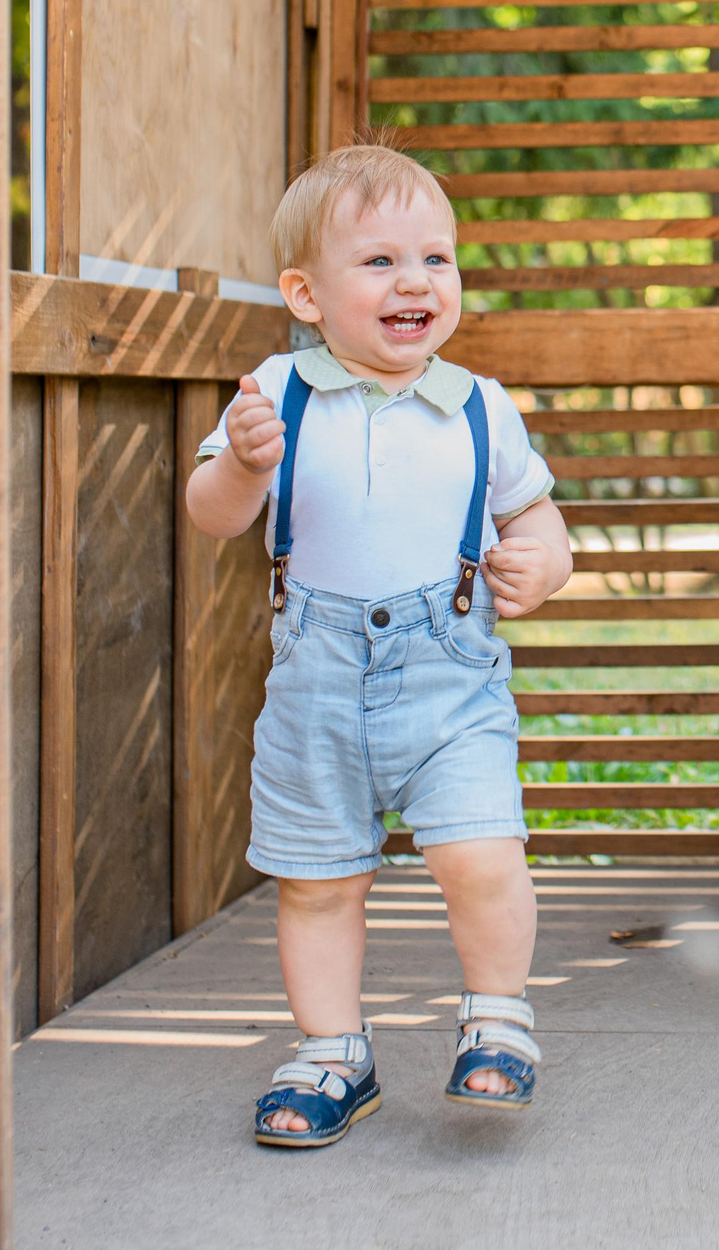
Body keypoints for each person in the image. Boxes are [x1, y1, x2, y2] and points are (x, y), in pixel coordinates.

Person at [186, 143, 571, 1146]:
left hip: (450, 679)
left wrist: (543, 564)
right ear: (305, 295)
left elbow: (535, 515)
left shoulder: (480, 404)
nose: (415, 281)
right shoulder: (278, 393)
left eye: (436, 258)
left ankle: (497, 1020)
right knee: (318, 881)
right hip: (316, 680)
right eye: (380, 261)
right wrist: (241, 464)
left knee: (481, 851)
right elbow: (213, 513)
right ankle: (332, 1053)